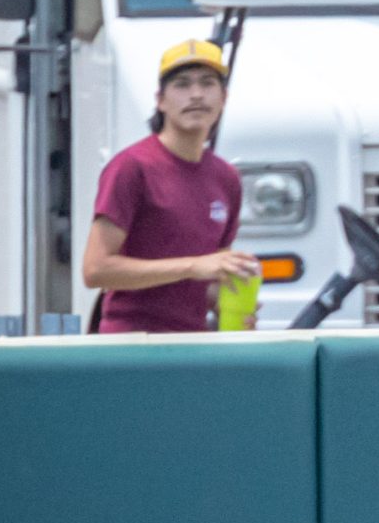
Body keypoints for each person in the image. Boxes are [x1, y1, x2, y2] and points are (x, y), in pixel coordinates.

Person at [82, 39, 258, 333]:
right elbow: (96, 270)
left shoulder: (226, 178)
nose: (197, 95)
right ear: (160, 100)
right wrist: (193, 266)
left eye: (207, 83)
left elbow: (208, 279)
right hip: (132, 344)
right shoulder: (131, 167)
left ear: (224, 97)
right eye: (182, 84)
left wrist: (234, 301)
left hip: (194, 345)